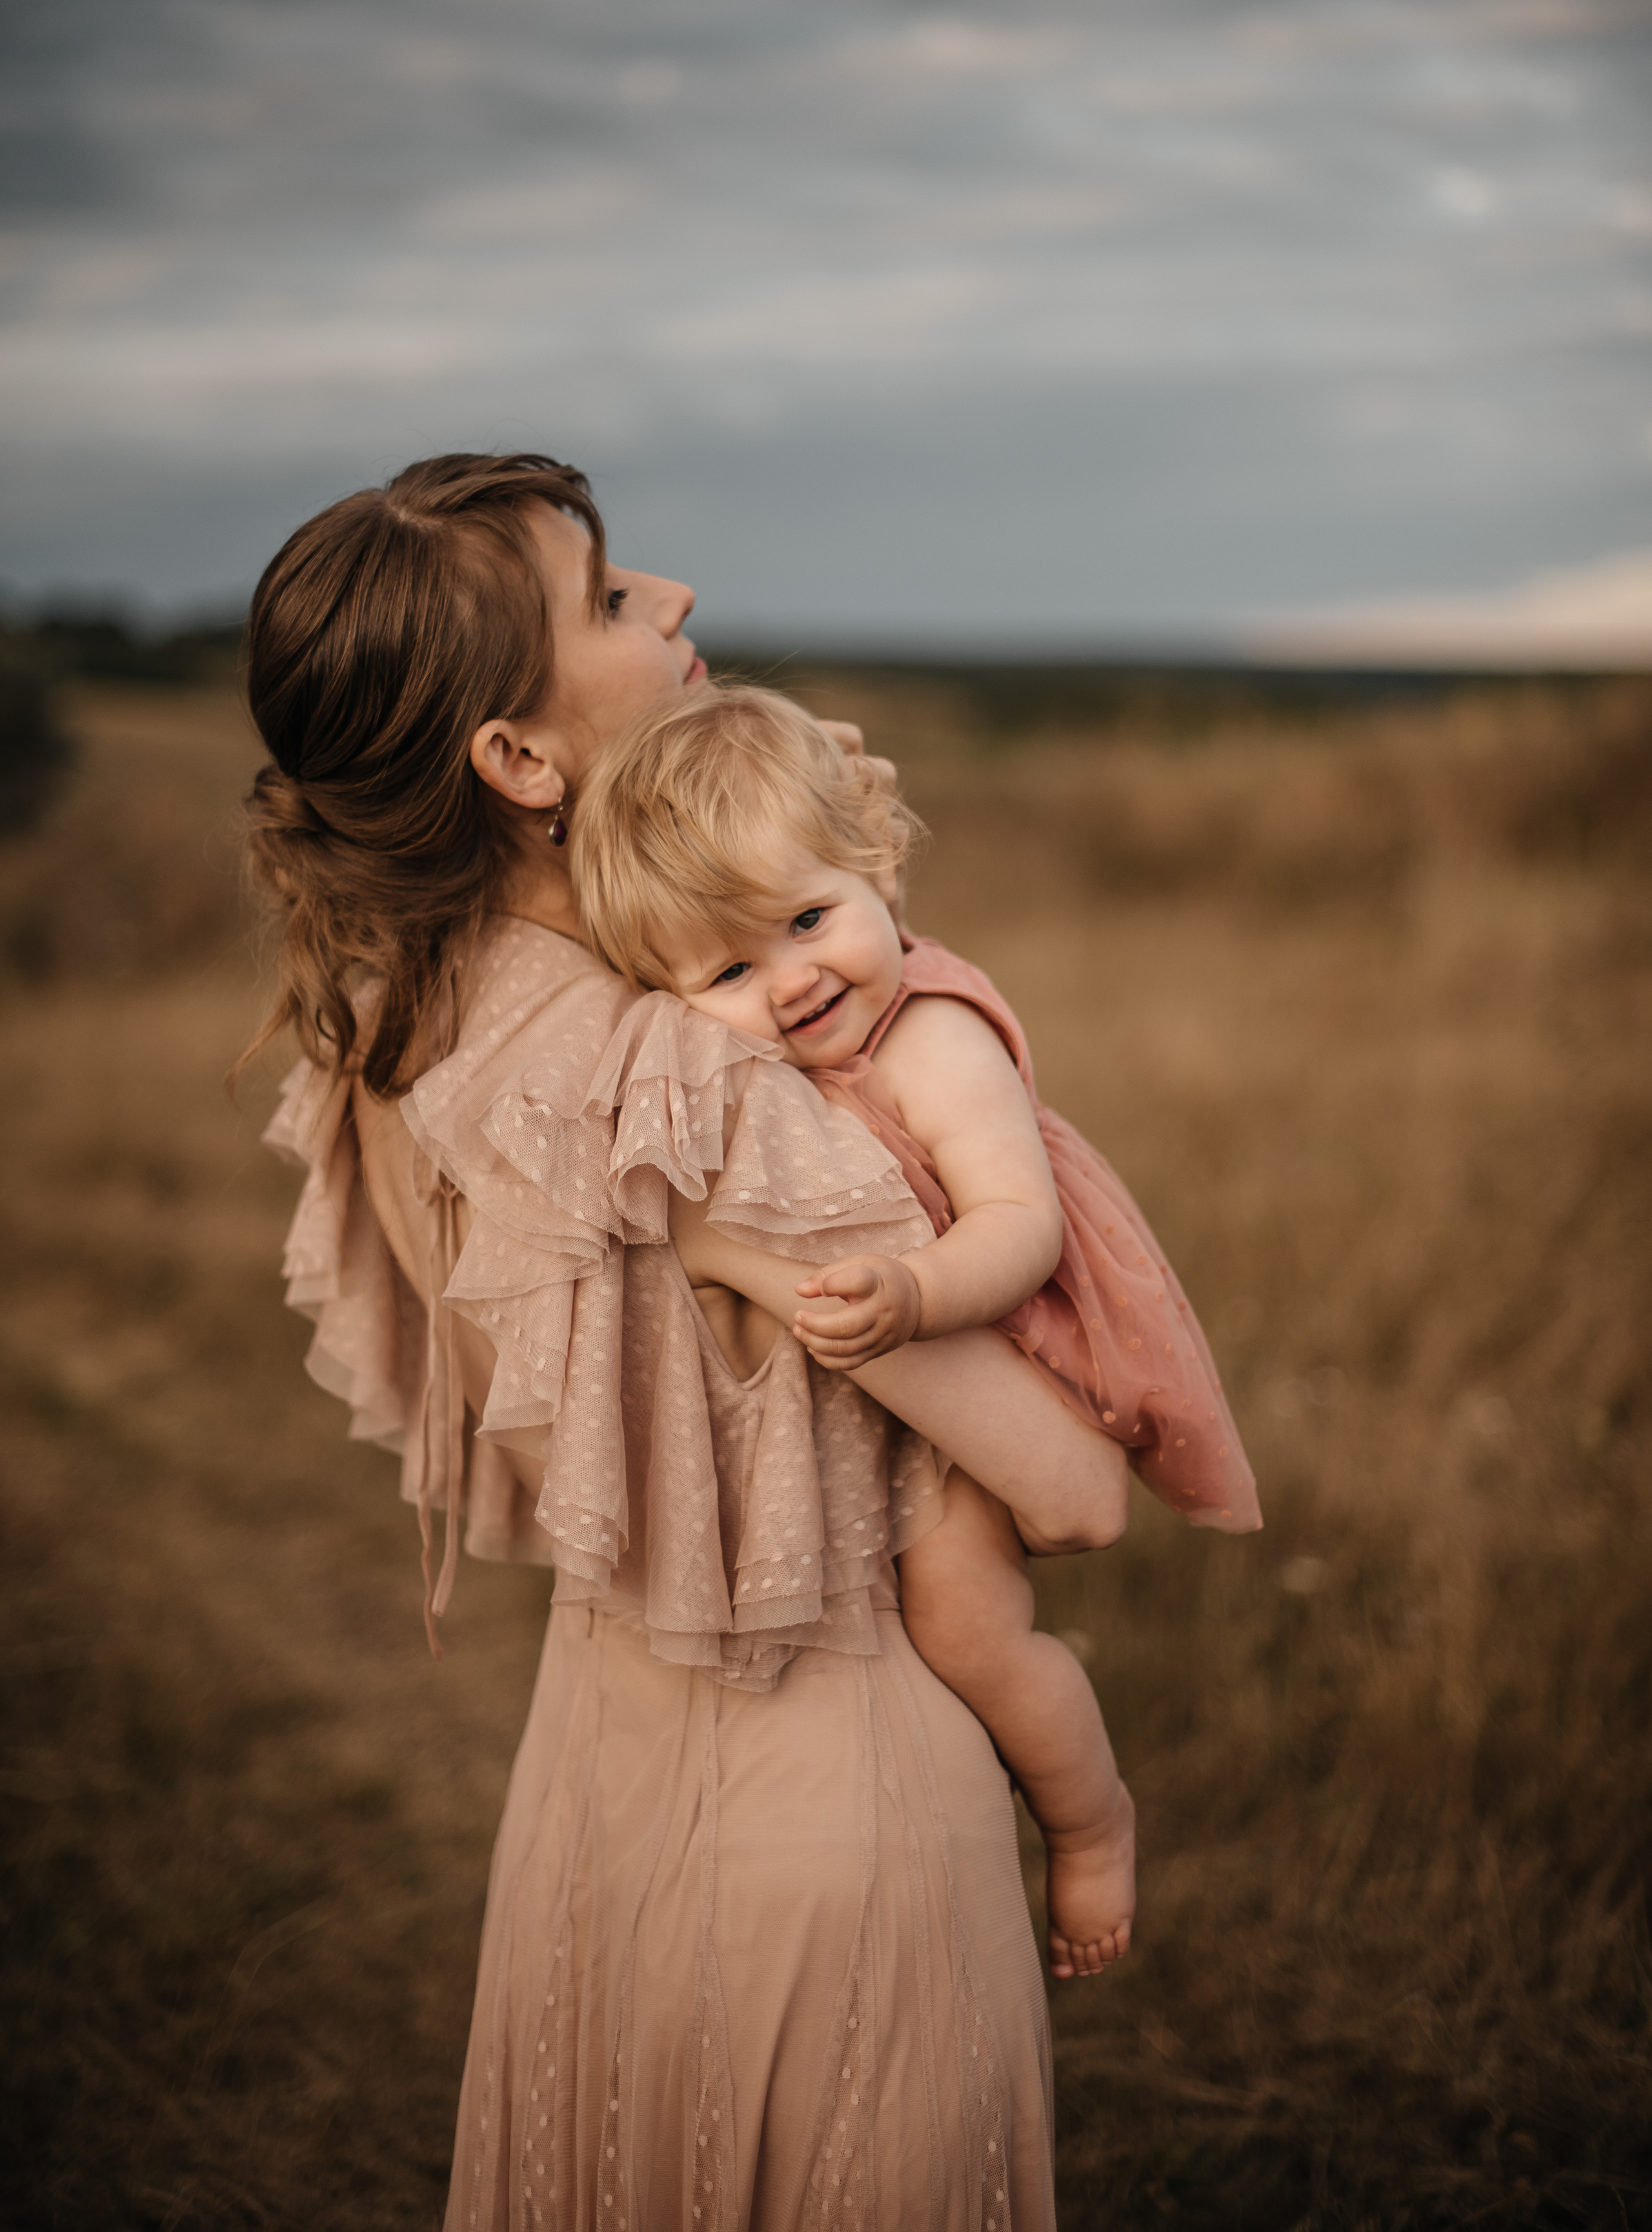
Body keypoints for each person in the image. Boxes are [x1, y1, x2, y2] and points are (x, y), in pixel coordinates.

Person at [244, 450, 1170, 2231]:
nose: (667, 600)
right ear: (515, 761)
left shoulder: (398, 1012)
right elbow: (1073, 1497)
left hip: (597, 1780)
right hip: (840, 1793)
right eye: (603, 598)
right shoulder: (670, 1083)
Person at [564, 680, 1260, 1984]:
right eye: (725, 971)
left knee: (971, 1635)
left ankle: (1089, 1823)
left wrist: (911, 1295)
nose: (788, 983)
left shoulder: (931, 1038)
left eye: (809, 920)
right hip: (915, 1374)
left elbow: (1018, 1225)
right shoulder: (788, 1037)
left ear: (876, 870)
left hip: (1013, 1336)